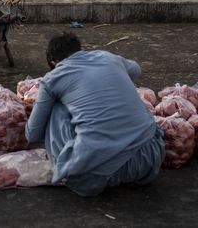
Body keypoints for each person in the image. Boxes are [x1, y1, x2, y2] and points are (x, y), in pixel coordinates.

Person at [25, 33, 164, 197]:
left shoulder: (52, 78)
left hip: (93, 176)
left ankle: (66, 166)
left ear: (53, 62)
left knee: (56, 107)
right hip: (148, 160)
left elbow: (32, 134)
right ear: (78, 50)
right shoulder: (108, 57)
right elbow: (136, 69)